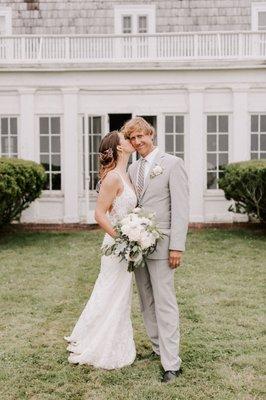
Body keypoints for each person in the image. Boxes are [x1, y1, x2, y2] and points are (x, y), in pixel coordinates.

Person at [122, 117, 189, 383]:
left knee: (164, 302)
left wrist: (177, 247)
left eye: (141, 136)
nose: (138, 142)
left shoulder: (173, 164)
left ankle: (171, 364)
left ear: (151, 134)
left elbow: (181, 209)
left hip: (163, 245)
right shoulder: (132, 169)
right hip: (137, 245)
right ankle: (158, 348)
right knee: (146, 300)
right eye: (133, 139)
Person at [64, 130, 137, 369]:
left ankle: (110, 338)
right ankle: (98, 343)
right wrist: (122, 239)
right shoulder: (113, 178)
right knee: (110, 292)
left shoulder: (126, 175)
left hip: (127, 242)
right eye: (126, 139)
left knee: (118, 293)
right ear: (119, 148)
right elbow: (99, 214)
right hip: (116, 245)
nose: (131, 141)